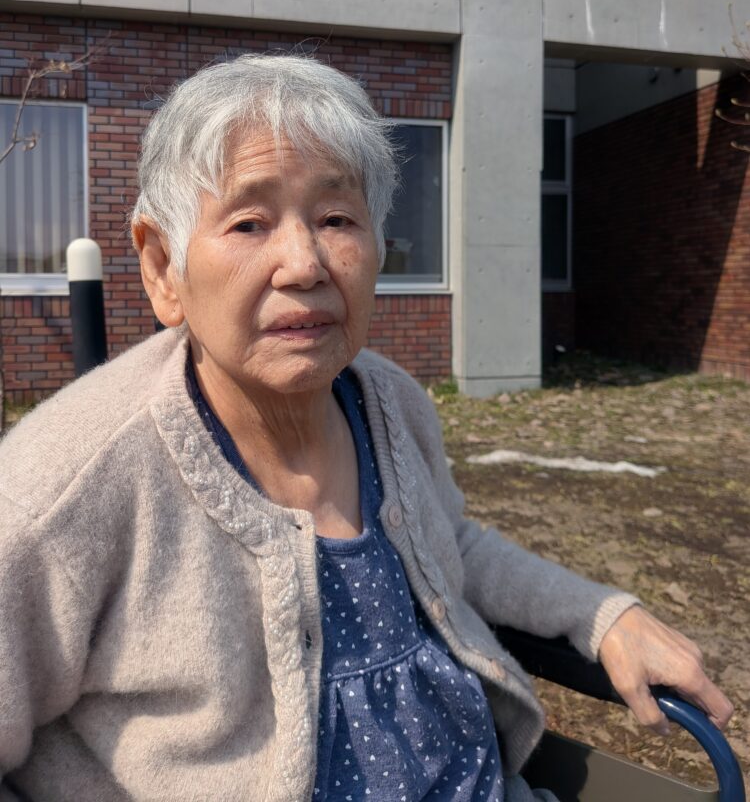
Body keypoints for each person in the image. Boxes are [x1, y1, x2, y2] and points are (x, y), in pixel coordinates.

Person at [0, 55, 732, 802]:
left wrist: (602, 617)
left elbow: (451, 545)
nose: (304, 264)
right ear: (163, 268)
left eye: (336, 220)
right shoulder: (60, 491)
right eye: (249, 223)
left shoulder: (387, 398)